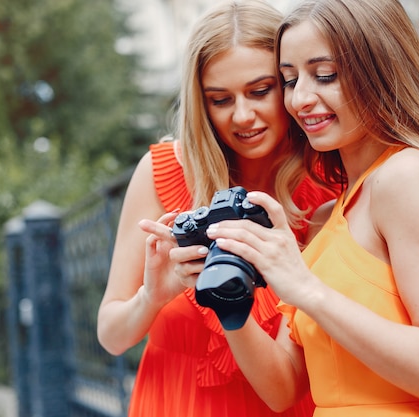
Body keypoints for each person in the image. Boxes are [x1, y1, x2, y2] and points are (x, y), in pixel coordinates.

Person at [197, 0, 419, 416]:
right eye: (290, 80)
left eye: (325, 75)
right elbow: (284, 388)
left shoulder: (409, 178)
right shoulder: (329, 216)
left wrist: (308, 291)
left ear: (381, 70)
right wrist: (227, 296)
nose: (301, 99)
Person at [96, 1, 337, 416]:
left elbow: (289, 379)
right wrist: (152, 297)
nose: (243, 116)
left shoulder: (327, 189)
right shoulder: (163, 172)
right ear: (200, 103)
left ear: (289, 82)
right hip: (174, 402)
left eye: (261, 91)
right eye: (220, 99)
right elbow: (112, 336)